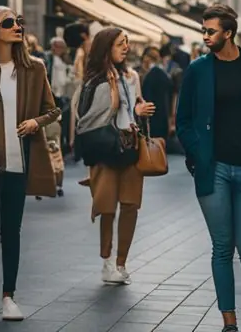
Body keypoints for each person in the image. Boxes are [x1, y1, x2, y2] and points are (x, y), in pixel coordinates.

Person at [176, 4, 241, 332]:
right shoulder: (197, 69)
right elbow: (183, 120)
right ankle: (229, 322)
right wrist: (198, 153)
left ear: (229, 33)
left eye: (210, 31)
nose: (205, 36)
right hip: (214, 169)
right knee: (222, 247)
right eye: (203, 30)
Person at [0, 6, 60, 323]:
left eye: (19, 22)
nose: (17, 27)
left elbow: (52, 110)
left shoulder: (35, 69)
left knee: (12, 233)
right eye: (9, 23)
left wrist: (35, 121)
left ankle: (9, 297)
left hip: (20, 163)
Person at [75, 27, 154, 287]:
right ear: (106, 46)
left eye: (127, 42)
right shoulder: (95, 80)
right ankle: (107, 262)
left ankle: (122, 263)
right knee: (107, 208)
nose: (126, 47)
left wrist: (137, 110)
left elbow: (131, 113)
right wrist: (128, 108)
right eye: (121, 43)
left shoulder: (131, 77)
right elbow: (86, 118)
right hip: (106, 149)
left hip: (130, 147)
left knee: (130, 205)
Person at [44, 36, 76, 159]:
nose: (57, 49)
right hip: (52, 94)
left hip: (63, 96)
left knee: (64, 121)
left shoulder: (66, 60)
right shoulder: (48, 58)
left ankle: (63, 145)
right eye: (55, 46)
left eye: (60, 46)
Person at [140, 46, 173, 142]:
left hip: (151, 119)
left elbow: (146, 97)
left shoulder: (150, 75)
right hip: (162, 118)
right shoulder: (163, 75)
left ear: (146, 58)